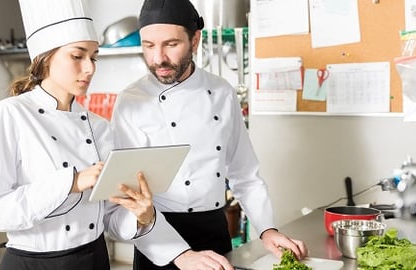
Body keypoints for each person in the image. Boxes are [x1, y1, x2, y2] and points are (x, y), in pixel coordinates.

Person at [110, 0, 309, 269]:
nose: (158, 59)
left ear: (194, 41)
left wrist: (267, 230)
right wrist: (179, 254)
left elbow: (246, 175)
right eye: (148, 46)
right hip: (156, 234)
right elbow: (128, 197)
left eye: (171, 44)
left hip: (214, 230)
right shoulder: (130, 101)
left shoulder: (221, 92)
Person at [0, 0, 156, 269]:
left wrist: (141, 216)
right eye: (77, 55)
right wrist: (71, 182)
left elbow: (108, 216)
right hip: (32, 263)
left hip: (94, 259)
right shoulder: (11, 114)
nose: (90, 68)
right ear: (46, 56)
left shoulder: (100, 127)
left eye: (93, 57)